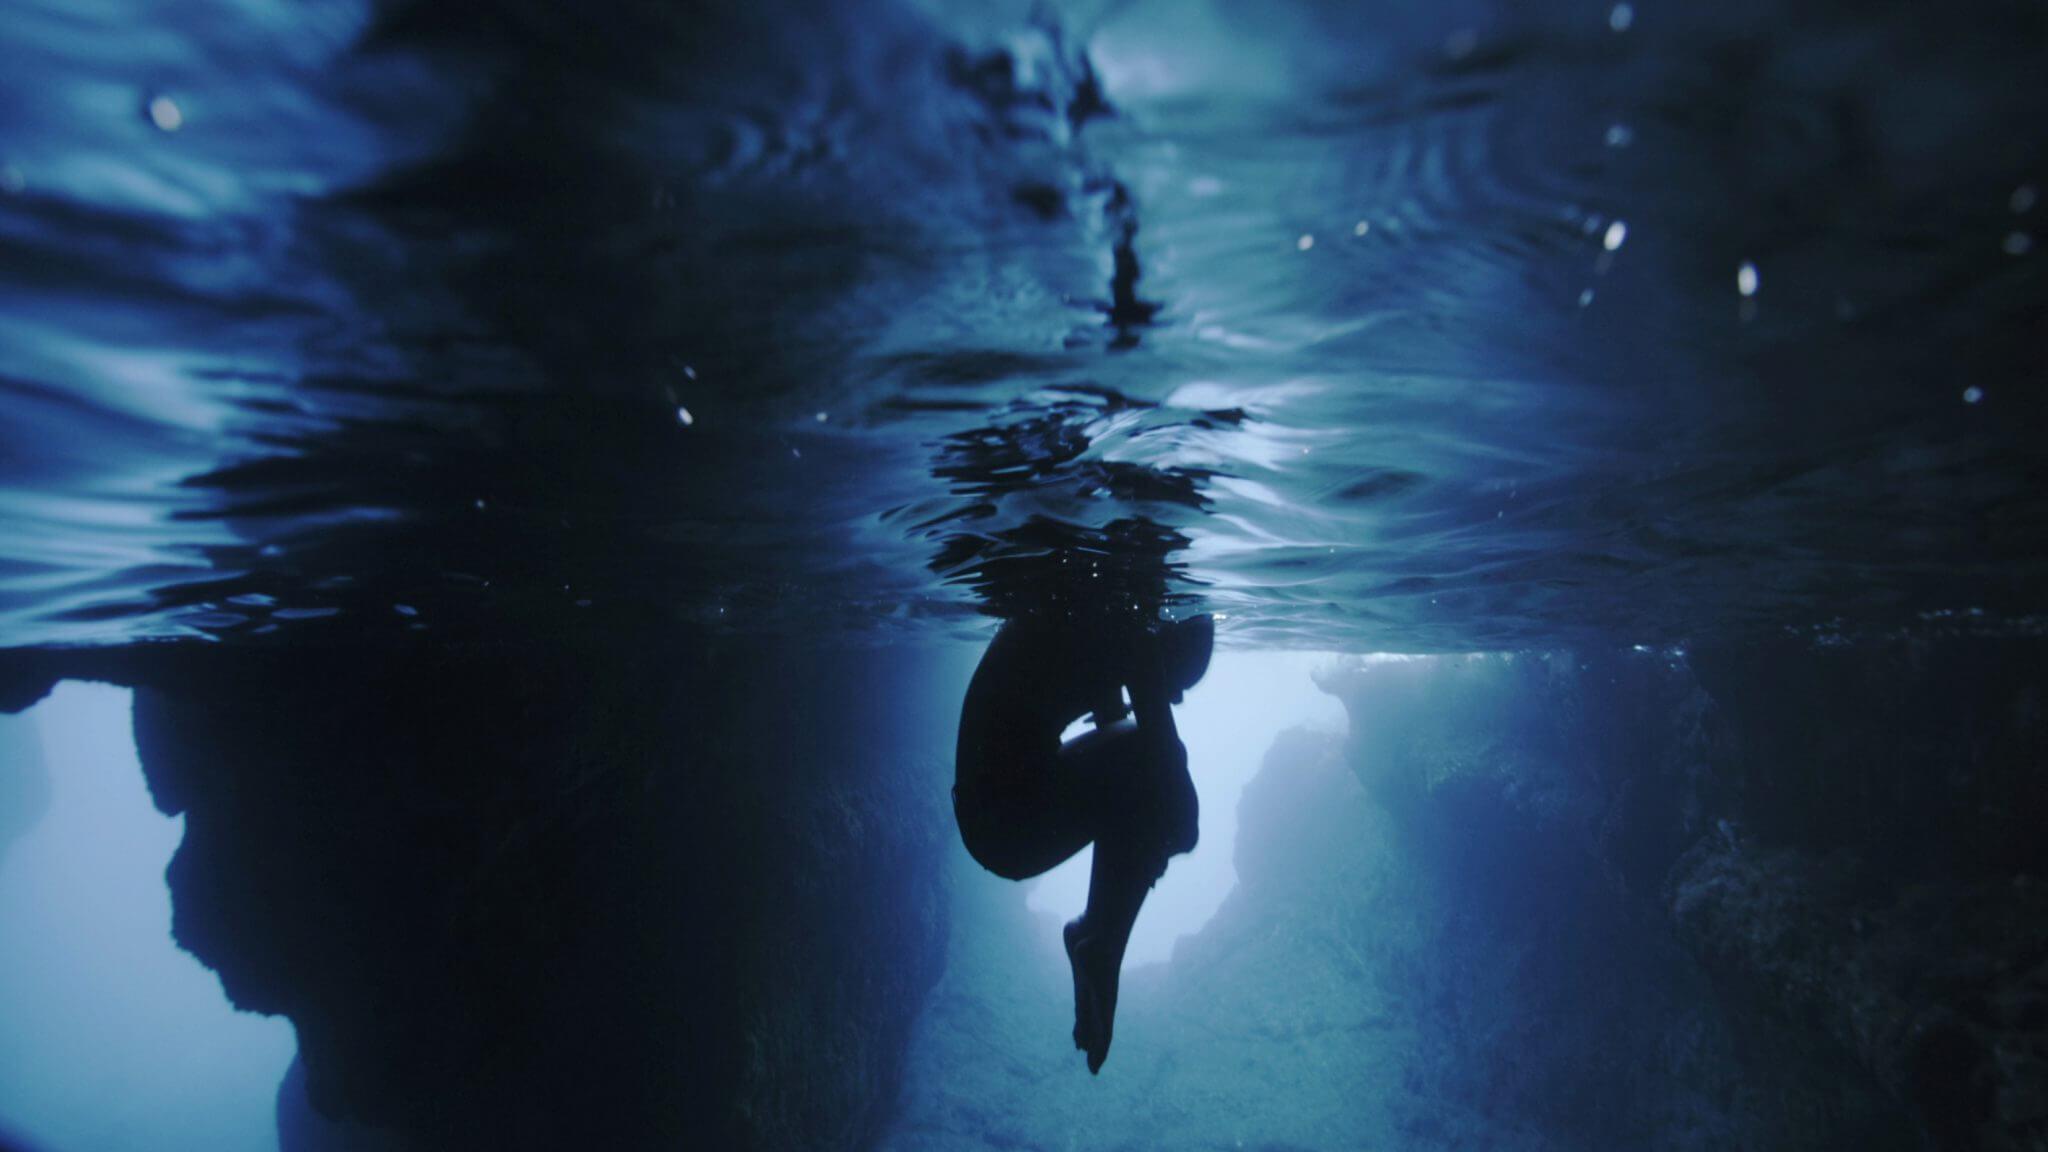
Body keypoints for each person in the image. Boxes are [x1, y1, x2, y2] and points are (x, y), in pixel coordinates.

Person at [953, 612, 1213, 1073]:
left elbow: (1124, 750)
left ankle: (1099, 938)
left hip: (992, 815)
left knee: (1149, 767)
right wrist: (1160, 837)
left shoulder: (1102, 620)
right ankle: (1102, 946)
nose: (1173, 697)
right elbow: (1182, 814)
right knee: (1157, 763)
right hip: (1005, 822)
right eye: (1179, 685)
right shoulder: (1134, 640)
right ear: (1165, 645)